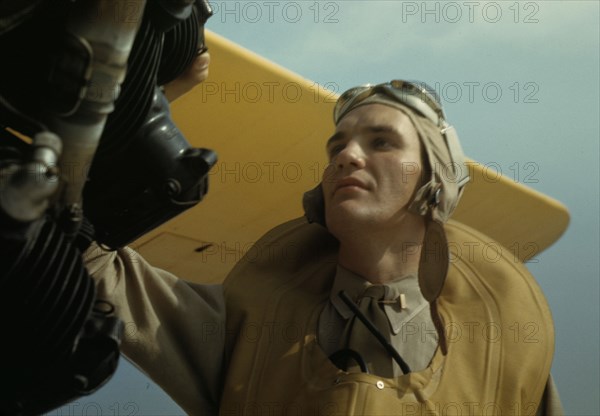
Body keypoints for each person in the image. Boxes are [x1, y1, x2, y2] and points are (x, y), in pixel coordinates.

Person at [84, 80, 563, 415]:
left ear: (435, 180)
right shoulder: (249, 324)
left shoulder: (503, 340)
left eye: (381, 142)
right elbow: (88, 257)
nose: (347, 157)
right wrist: (141, 103)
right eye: (337, 148)